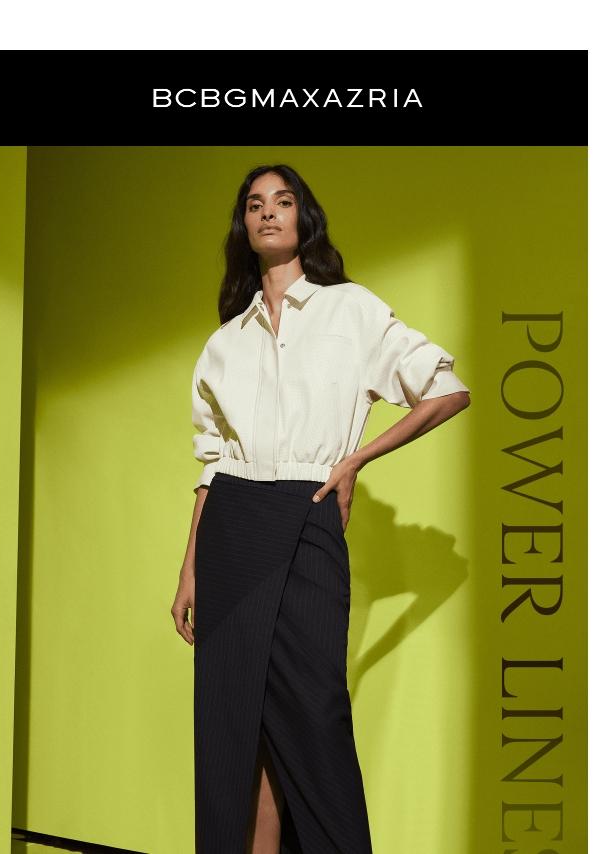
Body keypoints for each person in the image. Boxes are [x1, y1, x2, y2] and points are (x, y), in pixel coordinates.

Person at [171, 163, 471, 854]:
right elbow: (213, 467)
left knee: (313, 714)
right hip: (230, 531)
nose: (268, 212)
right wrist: (189, 569)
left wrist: (355, 460)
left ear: (304, 218)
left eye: (282, 201)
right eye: (255, 204)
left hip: (306, 515)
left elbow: (447, 390)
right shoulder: (225, 342)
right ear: (244, 226)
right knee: (237, 731)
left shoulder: (350, 309)